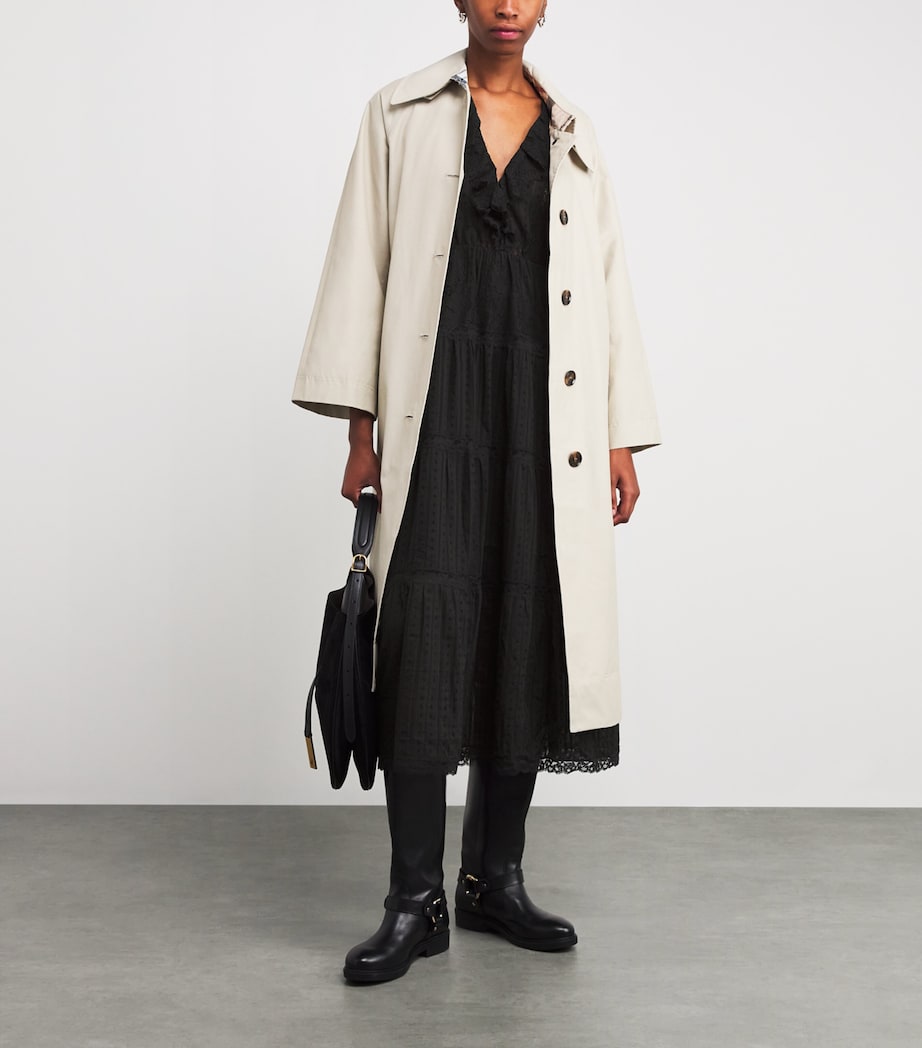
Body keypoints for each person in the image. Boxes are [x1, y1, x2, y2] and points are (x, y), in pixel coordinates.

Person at [291, 0, 661, 984]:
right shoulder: (399, 113)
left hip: (547, 420)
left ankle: (494, 879)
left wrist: (620, 433)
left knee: (524, 633)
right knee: (422, 639)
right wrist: (360, 432)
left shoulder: (575, 135)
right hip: (435, 411)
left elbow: (609, 287)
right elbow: (360, 267)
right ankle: (413, 899)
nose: (506, 4)